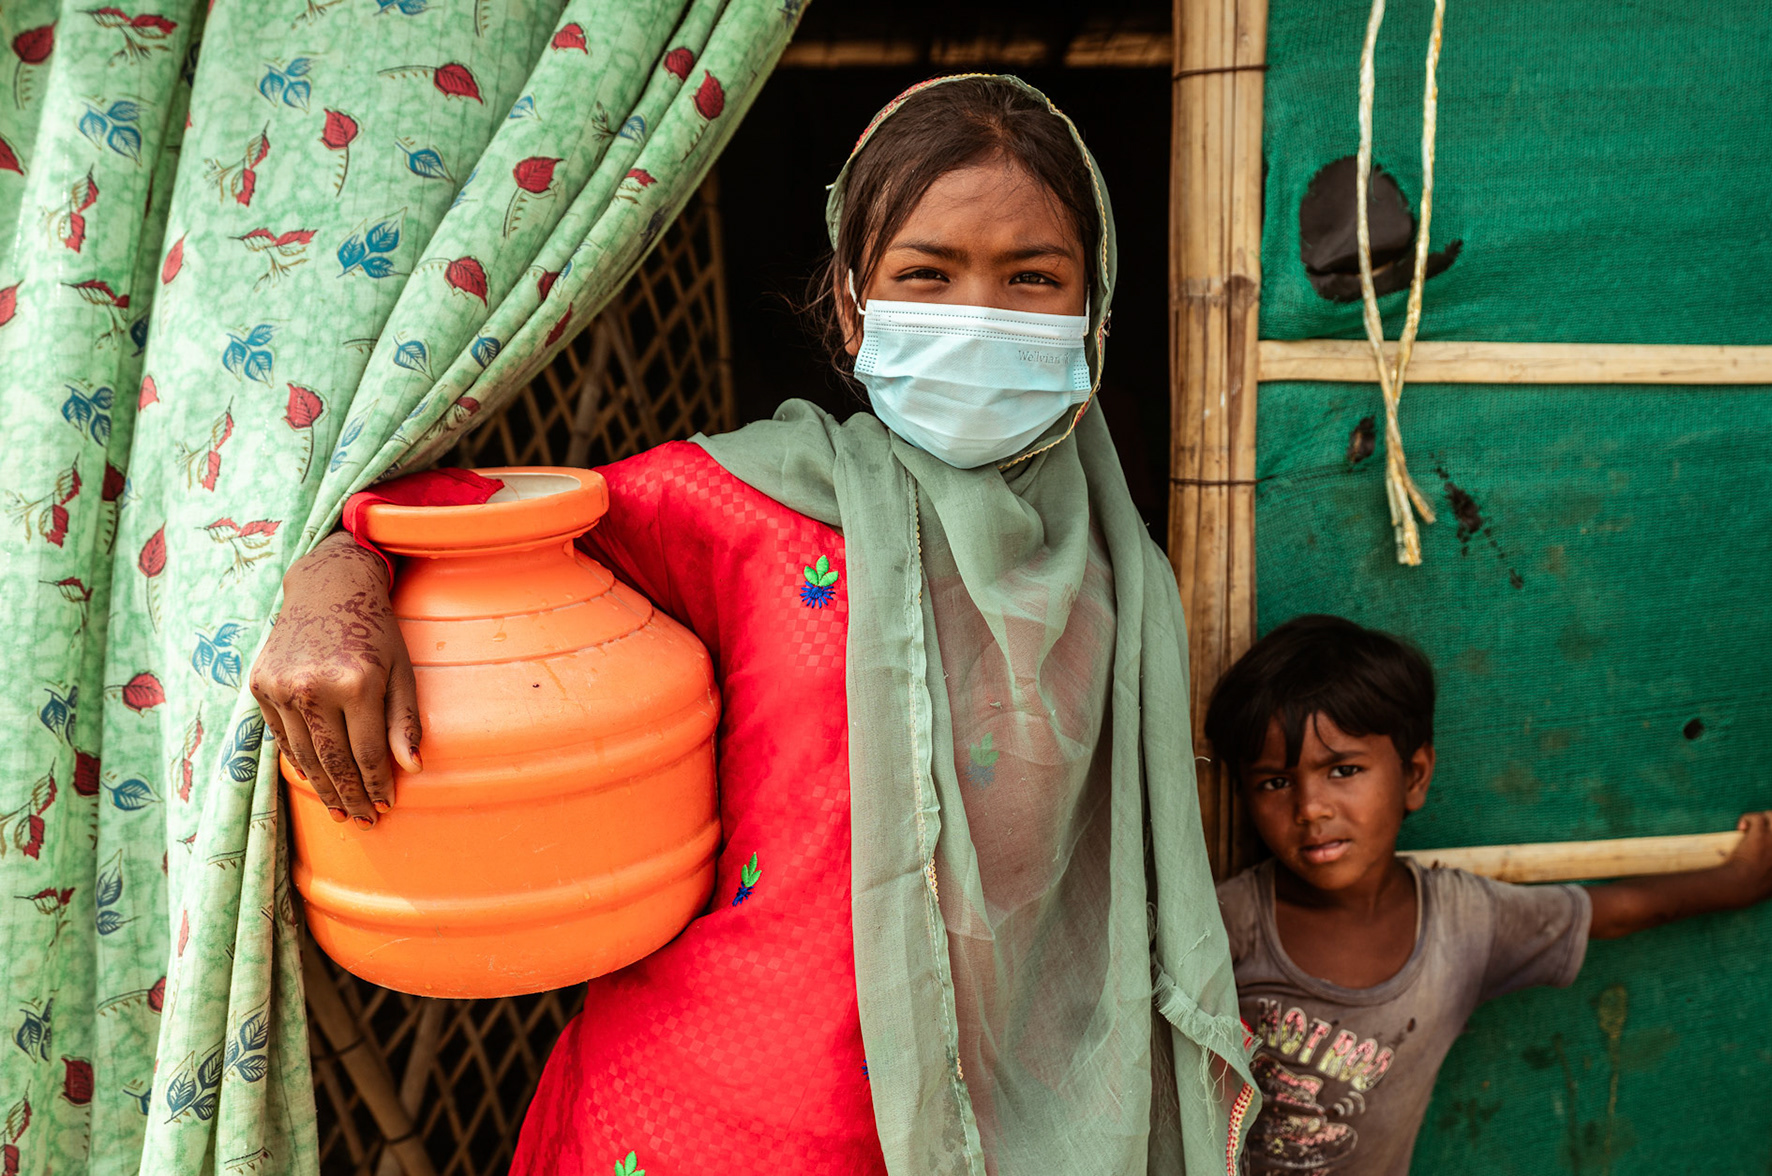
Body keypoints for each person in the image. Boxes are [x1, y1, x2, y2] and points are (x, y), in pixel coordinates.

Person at [251, 76, 1256, 1176]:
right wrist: (334, 576)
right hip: (716, 1122)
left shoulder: (1125, 570)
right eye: (927, 274)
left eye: (1032, 277)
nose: (978, 313)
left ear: (1093, 311)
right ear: (853, 308)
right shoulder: (747, 504)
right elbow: (474, 522)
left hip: (1026, 1133)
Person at [1205, 614, 1772, 1176]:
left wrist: (1737, 881)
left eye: (1342, 770)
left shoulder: (1464, 922)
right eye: (1275, 782)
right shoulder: (1227, 923)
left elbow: (1613, 913)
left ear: (1414, 776)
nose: (1310, 808)